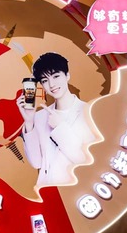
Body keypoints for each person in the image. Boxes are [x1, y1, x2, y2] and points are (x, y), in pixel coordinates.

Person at [16, 52, 96, 187]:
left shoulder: (88, 112)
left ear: (67, 75)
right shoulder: (40, 116)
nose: (51, 84)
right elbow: (36, 162)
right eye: (45, 80)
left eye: (56, 76)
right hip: (48, 190)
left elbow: (85, 160)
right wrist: (29, 122)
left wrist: (59, 128)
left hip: (77, 190)